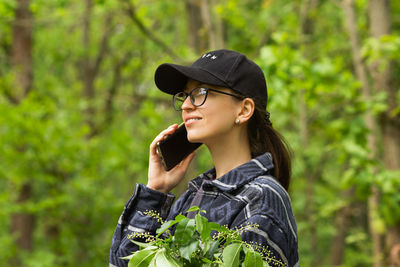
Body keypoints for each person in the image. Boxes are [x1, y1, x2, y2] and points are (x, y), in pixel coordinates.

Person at [109, 49, 299, 267]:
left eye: (200, 92)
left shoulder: (261, 198)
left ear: (244, 110)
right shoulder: (192, 199)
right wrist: (155, 192)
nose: (186, 105)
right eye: (184, 95)